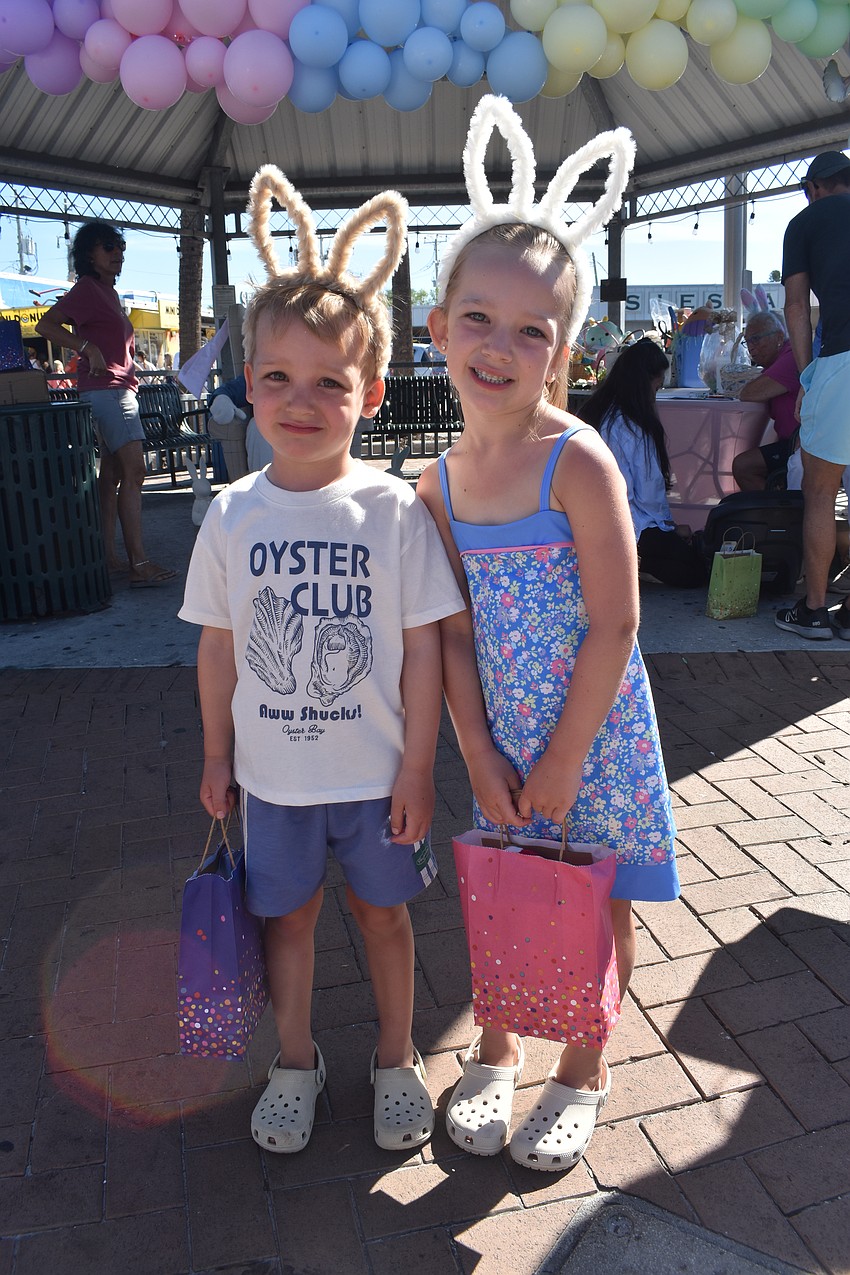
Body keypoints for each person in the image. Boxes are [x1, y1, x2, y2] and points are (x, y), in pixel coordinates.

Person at [179, 165, 464, 1157]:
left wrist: (421, 766)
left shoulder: (393, 508)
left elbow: (423, 649)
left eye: (330, 383)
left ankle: (397, 1057)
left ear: (371, 392)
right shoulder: (230, 513)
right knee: (286, 926)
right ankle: (294, 1061)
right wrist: (217, 756)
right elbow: (219, 651)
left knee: (386, 922)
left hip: (379, 781)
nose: (301, 402)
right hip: (275, 784)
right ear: (247, 383)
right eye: (277, 379)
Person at [417, 97, 678, 1172]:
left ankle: (583, 1064)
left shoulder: (579, 464)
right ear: (436, 330)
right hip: (503, 734)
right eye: (478, 318)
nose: (501, 346)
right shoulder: (432, 483)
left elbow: (616, 620)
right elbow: (449, 631)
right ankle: (494, 1043)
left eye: (532, 330)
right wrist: (475, 748)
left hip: (589, 729)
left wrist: (565, 753)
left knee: (589, 890)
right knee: (505, 891)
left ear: (562, 353)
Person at [35, 220, 176, 586]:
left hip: (115, 391)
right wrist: (87, 347)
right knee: (136, 473)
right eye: (108, 247)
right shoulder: (88, 289)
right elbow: (46, 326)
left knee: (111, 475)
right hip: (108, 392)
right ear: (89, 255)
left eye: (120, 248)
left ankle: (108, 556)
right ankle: (139, 564)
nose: (118, 254)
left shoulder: (107, 292)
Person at [776, 151, 850, 640]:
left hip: (843, 358)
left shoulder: (804, 222)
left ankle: (816, 611)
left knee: (822, 491)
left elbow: (797, 308)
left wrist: (805, 377)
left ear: (816, 187)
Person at [579, 338, 706, 587]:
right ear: (646, 383)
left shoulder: (597, 411)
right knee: (695, 571)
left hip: (589, 523)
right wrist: (670, 527)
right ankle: (638, 567)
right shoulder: (633, 425)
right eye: (657, 388)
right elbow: (649, 494)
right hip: (626, 526)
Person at [731, 312, 800, 491]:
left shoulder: (792, 357)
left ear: (778, 337)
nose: (751, 348)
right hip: (794, 441)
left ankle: (778, 514)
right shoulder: (779, 361)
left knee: (743, 466)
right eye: (748, 342)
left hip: (802, 445)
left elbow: (748, 392)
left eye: (756, 339)